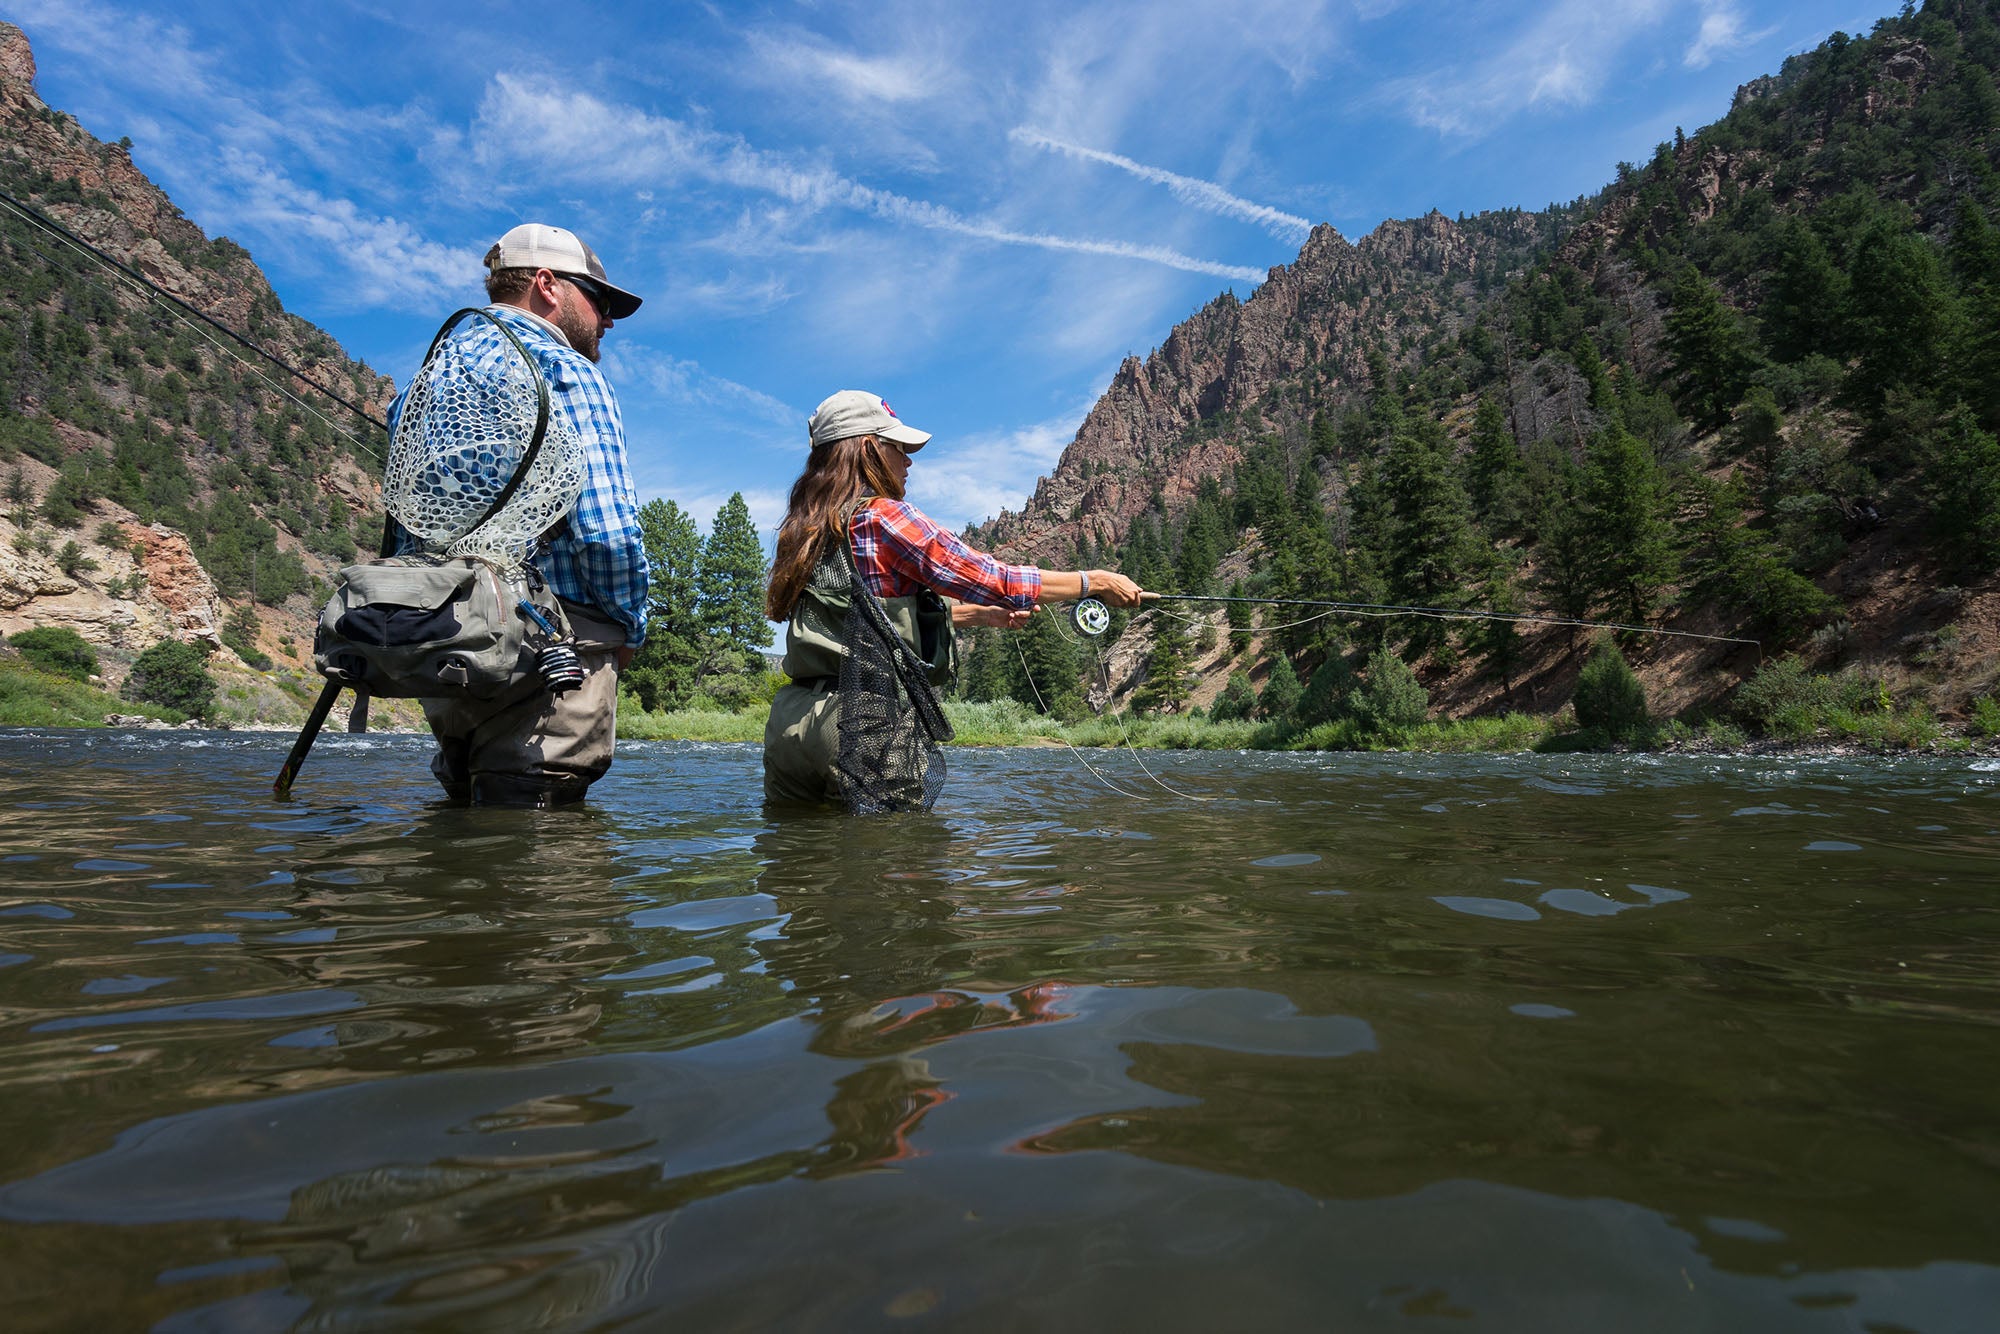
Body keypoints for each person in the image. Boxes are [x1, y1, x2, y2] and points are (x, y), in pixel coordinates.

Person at [763, 390, 1144, 806]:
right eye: (900, 448)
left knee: (798, 861)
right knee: (894, 857)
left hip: (790, 724)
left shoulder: (803, 532)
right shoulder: (883, 516)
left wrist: (980, 615)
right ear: (869, 448)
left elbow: (863, 614)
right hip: (862, 720)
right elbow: (994, 577)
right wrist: (1095, 581)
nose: (909, 460)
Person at [392, 223, 650, 807]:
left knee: (464, 837)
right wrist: (629, 626)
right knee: (543, 851)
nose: (607, 321)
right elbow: (608, 531)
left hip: (448, 645)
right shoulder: (569, 372)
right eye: (600, 301)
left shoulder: (420, 384)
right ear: (547, 285)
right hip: (555, 652)